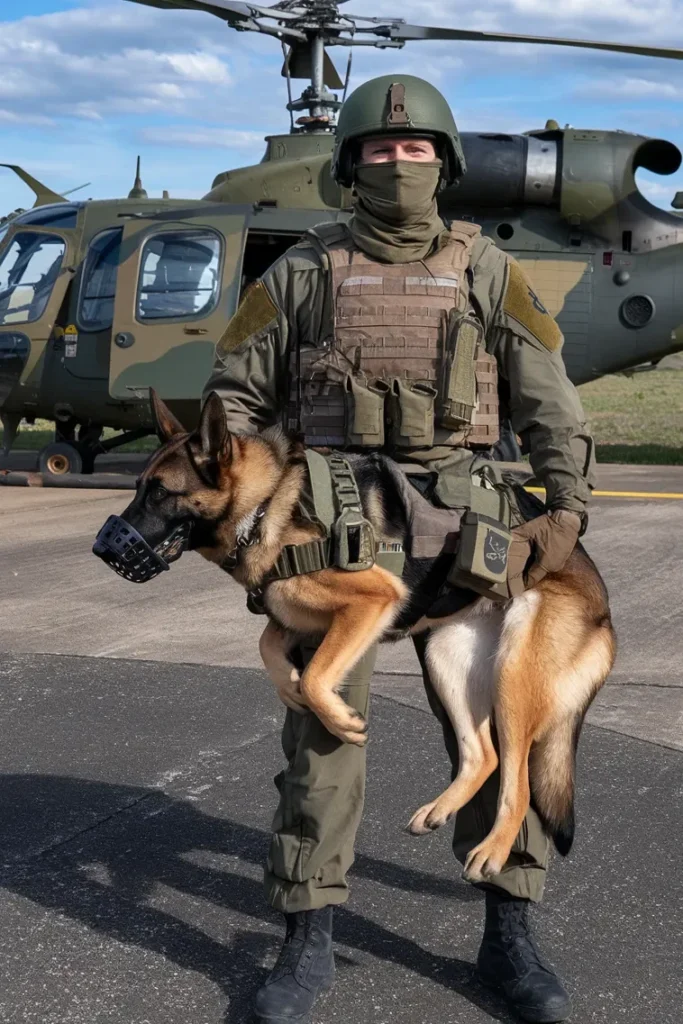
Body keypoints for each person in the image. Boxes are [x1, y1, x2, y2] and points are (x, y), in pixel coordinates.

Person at [203, 74, 594, 1024]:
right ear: (350, 164)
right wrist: (249, 524)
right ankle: (306, 933)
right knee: (320, 735)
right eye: (379, 150)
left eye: (416, 149)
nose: (398, 161)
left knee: (511, 728)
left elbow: (547, 393)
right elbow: (233, 403)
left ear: (444, 163)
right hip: (333, 520)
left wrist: (568, 508)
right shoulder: (299, 272)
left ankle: (510, 928)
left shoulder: (489, 270)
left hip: (471, 516)